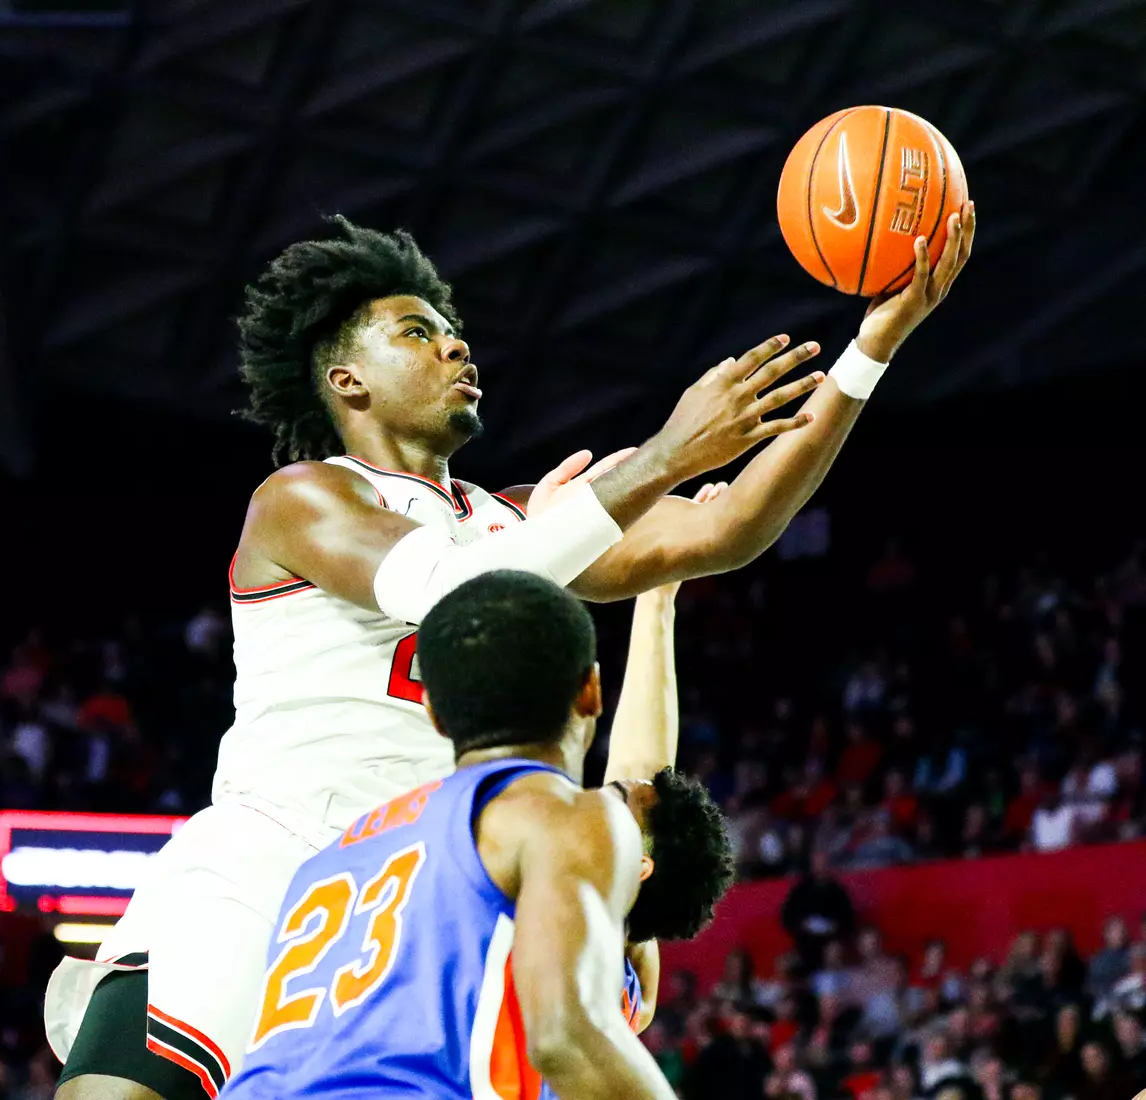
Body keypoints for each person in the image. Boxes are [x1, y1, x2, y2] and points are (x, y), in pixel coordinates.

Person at [48, 210, 975, 1099]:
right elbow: (454, 590)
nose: (455, 345)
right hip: (266, 863)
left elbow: (730, 526)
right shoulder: (302, 497)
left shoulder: (520, 518)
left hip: (410, 896)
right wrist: (660, 455)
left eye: (453, 330)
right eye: (417, 332)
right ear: (347, 383)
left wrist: (871, 349)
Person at [220, 572, 732, 1099]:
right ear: (592, 691)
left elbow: (640, 773)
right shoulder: (547, 834)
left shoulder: (346, 849)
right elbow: (565, 1037)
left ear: (434, 713)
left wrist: (659, 594)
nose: (597, 795)